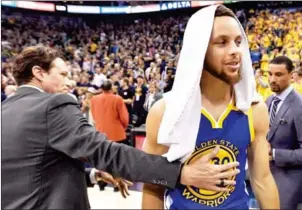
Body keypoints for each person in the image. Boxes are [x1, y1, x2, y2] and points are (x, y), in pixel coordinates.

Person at [2, 45, 240, 210]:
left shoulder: (5, 110)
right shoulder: (53, 104)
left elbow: (34, 169)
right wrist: (181, 173)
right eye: (63, 74)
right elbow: (106, 153)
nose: (70, 81)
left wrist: (93, 174)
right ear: (38, 73)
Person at [142, 5, 279, 209]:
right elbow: (153, 186)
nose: (235, 51)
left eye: (238, 42)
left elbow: (263, 180)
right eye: (222, 42)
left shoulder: (253, 109)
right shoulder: (164, 111)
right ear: (199, 51)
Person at [266, 56, 302, 209]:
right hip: (266, 179)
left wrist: (273, 154)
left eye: (278, 75)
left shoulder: (299, 106)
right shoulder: (268, 101)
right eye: (269, 74)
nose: (272, 79)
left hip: (289, 184)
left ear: (292, 76)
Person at [90, 80, 129, 191]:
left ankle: (102, 184)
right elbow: (125, 118)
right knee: (117, 160)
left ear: (102, 88)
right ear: (111, 88)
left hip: (100, 133)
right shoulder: (117, 99)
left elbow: (93, 115)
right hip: (117, 133)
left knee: (102, 159)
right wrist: (123, 127)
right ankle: (117, 184)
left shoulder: (94, 99)